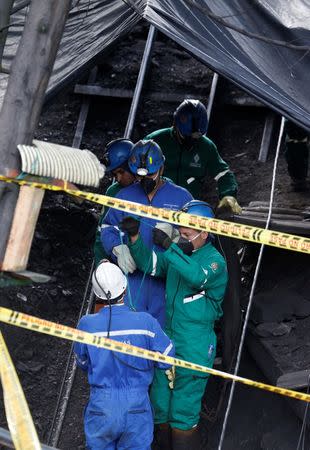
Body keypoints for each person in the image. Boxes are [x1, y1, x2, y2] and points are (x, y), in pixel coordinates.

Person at [120, 200, 228, 449]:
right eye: (180, 233)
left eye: (187, 234)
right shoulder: (179, 255)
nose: (182, 237)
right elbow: (151, 265)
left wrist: (170, 247)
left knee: (183, 410)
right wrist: (135, 238)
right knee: (159, 403)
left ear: (206, 232)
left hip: (195, 344)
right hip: (168, 339)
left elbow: (196, 276)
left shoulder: (214, 262)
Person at [74, 260, 175, 450]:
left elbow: (82, 362)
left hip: (102, 407)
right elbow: (167, 358)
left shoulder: (86, 325)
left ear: (97, 295)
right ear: (125, 288)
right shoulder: (146, 323)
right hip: (137, 407)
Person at [101, 139, 193, 326]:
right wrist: (117, 249)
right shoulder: (125, 196)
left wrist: (176, 239)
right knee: (131, 334)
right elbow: (107, 228)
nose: (145, 181)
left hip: (167, 283)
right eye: (140, 176)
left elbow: (200, 238)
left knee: (162, 338)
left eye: (150, 174)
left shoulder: (181, 197)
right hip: (133, 283)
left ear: (162, 168)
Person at [145, 99, 241, 214]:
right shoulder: (156, 141)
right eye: (187, 136)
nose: (192, 140)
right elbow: (134, 166)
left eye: (196, 136)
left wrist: (228, 195)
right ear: (176, 125)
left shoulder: (206, 147)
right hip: (153, 204)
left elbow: (223, 173)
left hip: (188, 207)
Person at [93, 138, 135, 266]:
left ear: (133, 165)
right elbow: (102, 233)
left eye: (121, 172)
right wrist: (101, 265)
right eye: (114, 174)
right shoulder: (113, 192)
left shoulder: (153, 190)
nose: (118, 179)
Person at [284, 120, 309, 192]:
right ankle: (297, 181)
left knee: (302, 160)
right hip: (292, 141)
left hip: (301, 139)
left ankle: (300, 180)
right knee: (292, 161)